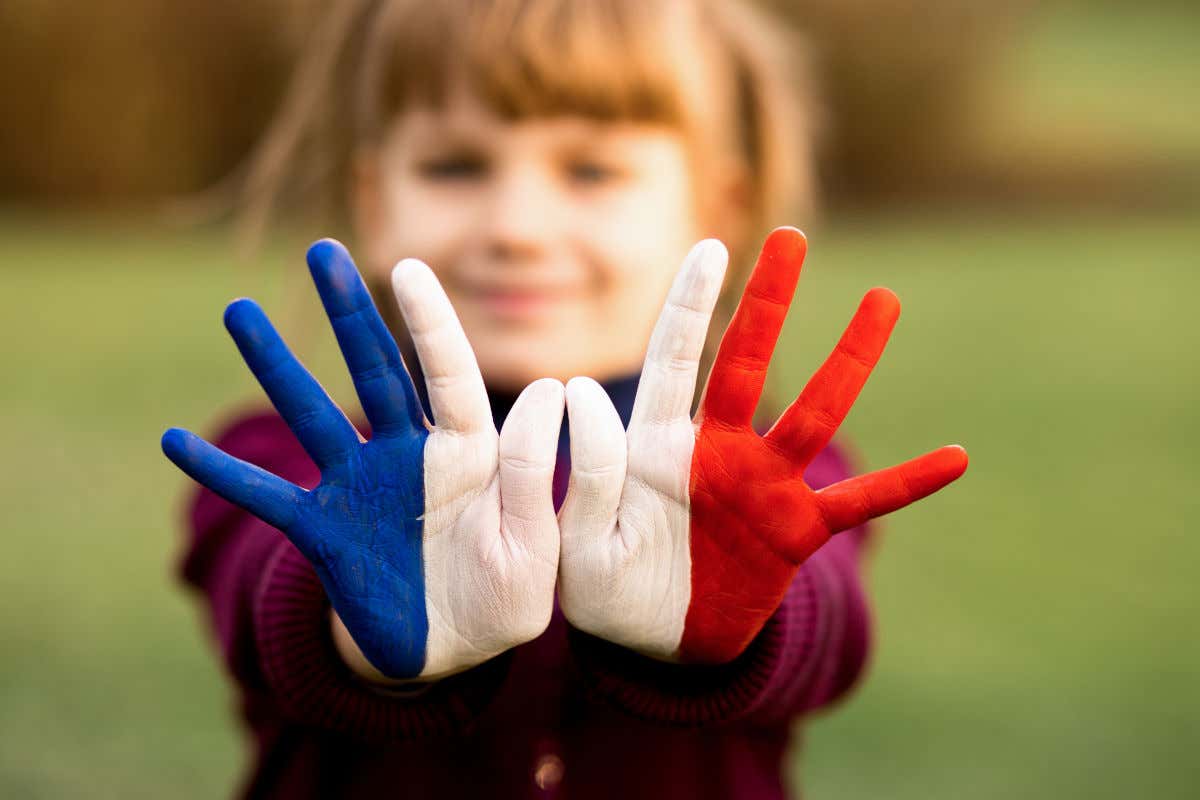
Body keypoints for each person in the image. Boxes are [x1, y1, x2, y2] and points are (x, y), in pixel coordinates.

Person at [162, 1, 968, 797]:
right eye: (455, 166)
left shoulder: (779, 480)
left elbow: (827, 626)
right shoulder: (278, 465)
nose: (517, 227)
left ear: (716, 212)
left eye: (591, 170)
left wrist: (732, 609)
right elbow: (257, 594)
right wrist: (356, 614)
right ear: (374, 204)